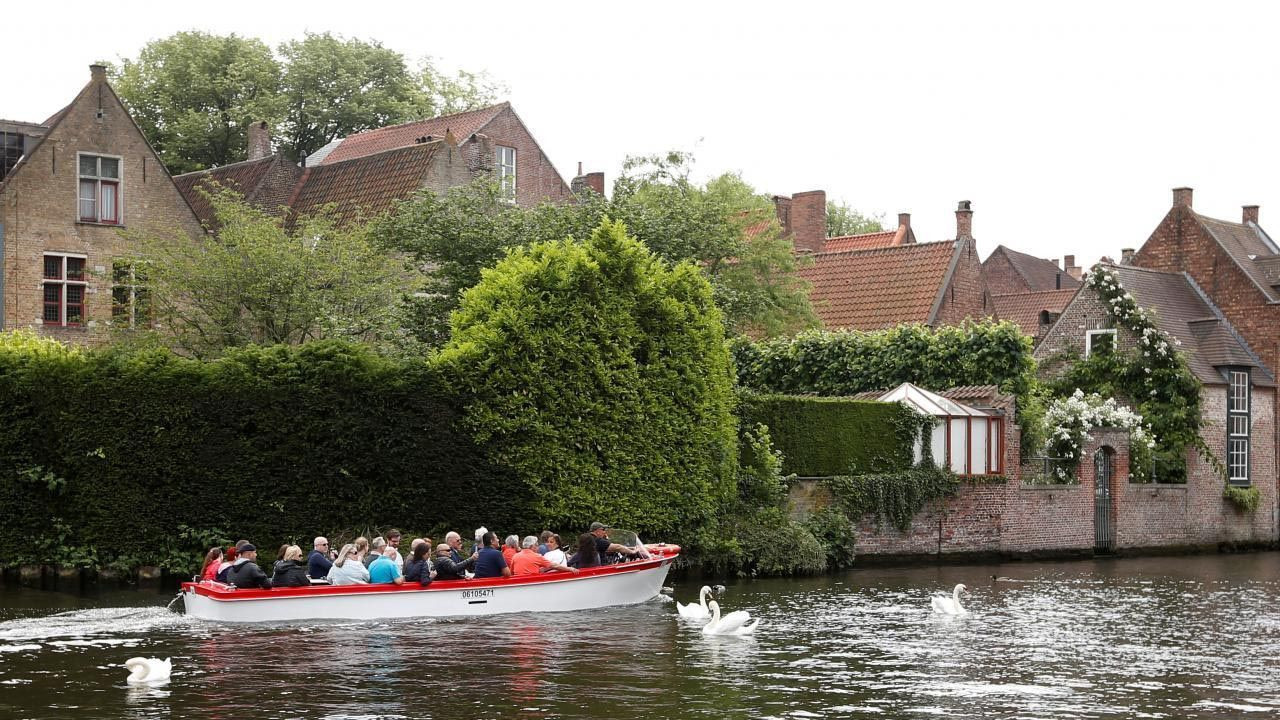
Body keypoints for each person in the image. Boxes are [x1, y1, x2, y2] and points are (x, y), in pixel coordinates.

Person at [511, 535, 577, 576]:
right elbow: (554, 565)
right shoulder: (537, 556)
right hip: (532, 583)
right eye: (537, 545)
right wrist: (570, 569)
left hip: (518, 584)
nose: (538, 547)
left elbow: (511, 572)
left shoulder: (515, 556)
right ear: (532, 546)